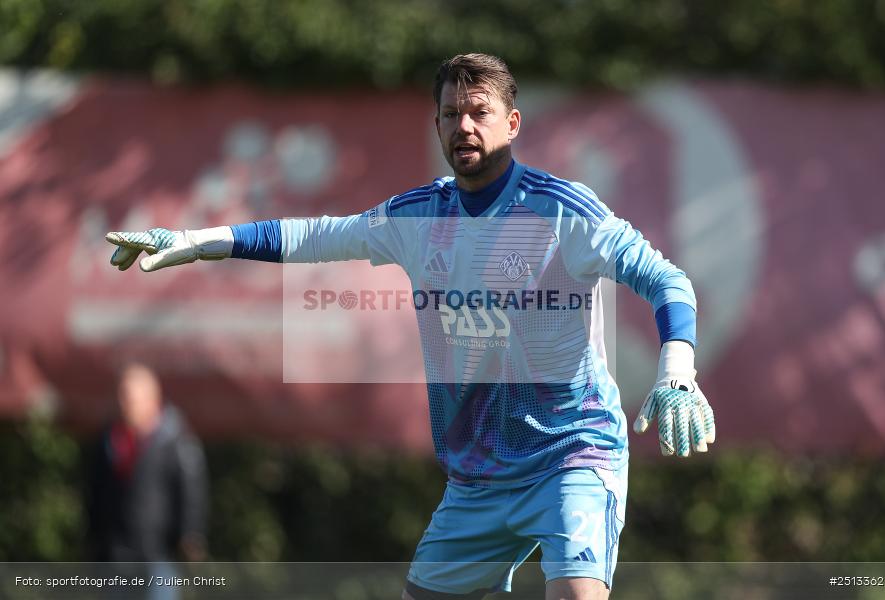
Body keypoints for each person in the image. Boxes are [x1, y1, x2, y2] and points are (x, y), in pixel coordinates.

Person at [105, 54, 714, 599]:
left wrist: (678, 372)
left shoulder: (563, 210)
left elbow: (667, 281)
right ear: (438, 126)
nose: (465, 127)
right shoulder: (420, 216)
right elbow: (312, 237)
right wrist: (193, 241)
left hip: (570, 455)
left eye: (480, 112)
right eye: (451, 114)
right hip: (477, 477)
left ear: (513, 123)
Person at [87, 363, 208, 564]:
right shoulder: (109, 439)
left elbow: (191, 491)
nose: (124, 404)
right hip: (115, 553)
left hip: (157, 553)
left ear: (151, 399)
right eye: (121, 396)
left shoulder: (174, 439)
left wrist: (190, 534)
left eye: (130, 398)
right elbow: (95, 491)